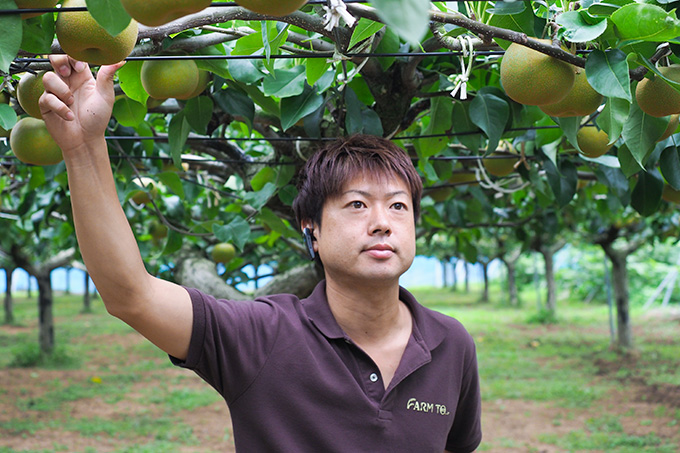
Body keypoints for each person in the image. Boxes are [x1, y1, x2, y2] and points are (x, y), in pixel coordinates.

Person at [40, 55, 482, 452]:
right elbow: (130, 295)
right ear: (312, 228)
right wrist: (82, 148)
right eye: (357, 204)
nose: (382, 221)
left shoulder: (451, 343)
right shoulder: (262, 336)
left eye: (398, 206)